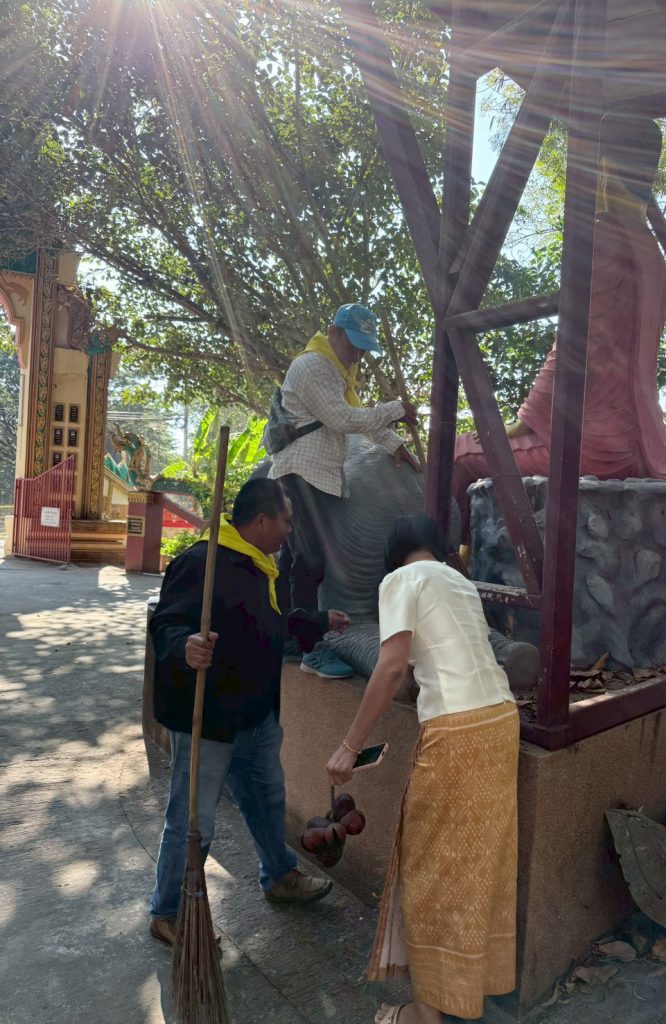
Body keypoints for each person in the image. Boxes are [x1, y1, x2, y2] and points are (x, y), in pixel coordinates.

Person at [453, 114, 666, 547]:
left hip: (594, 446)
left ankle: (458, 569)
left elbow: (575, 348)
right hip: (644, 444)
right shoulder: (653, 256)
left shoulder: (602, 237)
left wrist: (524, 421)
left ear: (607, 169)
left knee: (457, 455)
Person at [327, 514, 520, 1024]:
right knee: (477, 866)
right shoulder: (459, 582)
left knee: (427, 869)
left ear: (392, 553)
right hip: (501, 721)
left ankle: (424, 1014)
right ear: (438, 546)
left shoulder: (401, 580)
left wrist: (349, 746)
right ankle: (464, 993)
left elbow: (392, 666)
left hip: (458, 731)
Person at [149, 478, 348, 945]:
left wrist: (317, 622)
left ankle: (279, 876)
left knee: (266, 801)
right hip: (210, 722)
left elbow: (264, 626)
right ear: (261, 521)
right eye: (286, 521)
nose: (289, 530)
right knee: (193, 822)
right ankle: (168, 912)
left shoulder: (260, 565)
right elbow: (165, 623)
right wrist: (185, 646)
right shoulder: (202, 562)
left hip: (256, 719)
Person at [269, 302, 420, 679]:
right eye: (353, 344)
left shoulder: (339, 371)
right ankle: (311, 648)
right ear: (333, 331)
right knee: (311, 560)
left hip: (318, 475)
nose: (358, 354)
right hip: (301, 473)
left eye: (364, 348)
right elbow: (342, 418)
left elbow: (358, 415)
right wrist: (395, 409)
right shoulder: (313, 366)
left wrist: (394, 445)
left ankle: (286, 636)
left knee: (291, 562)